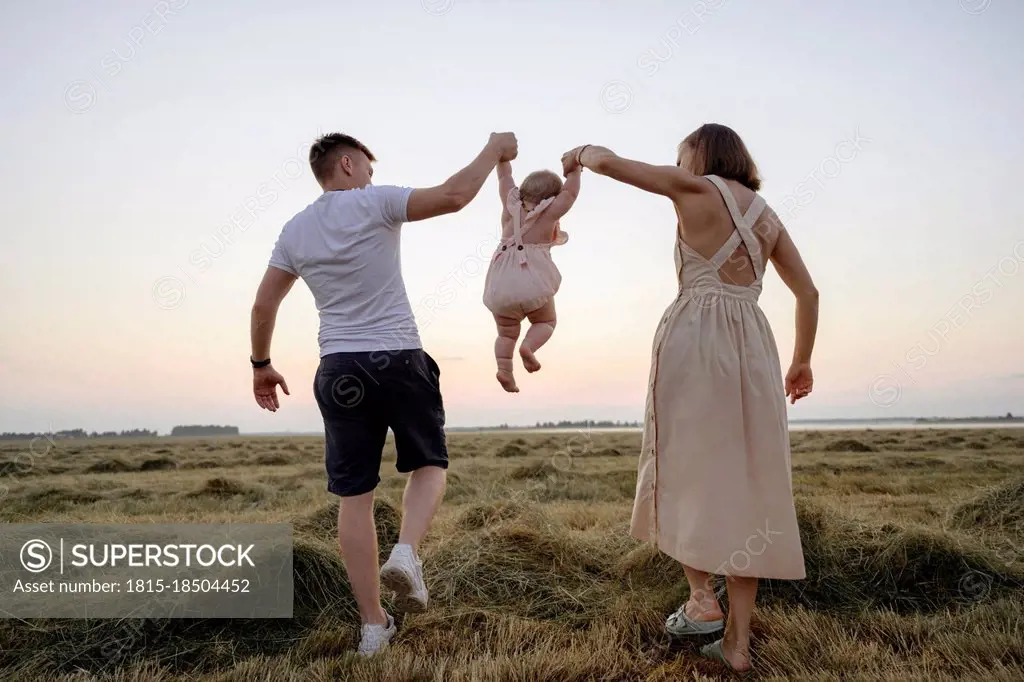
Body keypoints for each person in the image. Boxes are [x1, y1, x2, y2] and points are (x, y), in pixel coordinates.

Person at [248, 130, 518, 656]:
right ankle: (408, 552)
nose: (371, 175)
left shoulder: (295, 229)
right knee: (430, 463)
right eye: (368, 167)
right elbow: (453, 197)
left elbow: (263, 307)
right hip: (398, 358)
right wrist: (492, 150)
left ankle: (374, 626)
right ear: (347, 164)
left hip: (339, 368)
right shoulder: (376, 200)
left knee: (356, 499)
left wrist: (261, 365)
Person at [561, 124, 818, 674]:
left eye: (682, 154)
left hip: (696, 336)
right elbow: (808, 292)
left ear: (699, 155)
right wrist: (801, 361)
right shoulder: (767, 214)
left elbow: (611, 164)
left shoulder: (694, 189)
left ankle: (701, 597)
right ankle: (737, 644)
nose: (677, 162)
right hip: (753, 342)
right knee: (746, 480)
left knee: (680, 464)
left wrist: (579, 153)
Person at [482, 161, 581, 392]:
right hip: (532, 280)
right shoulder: (550, 212)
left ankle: (504, 369)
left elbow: (504, 178)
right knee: (545, 321)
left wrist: (502, 158)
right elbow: (571, 193)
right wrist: (575, 169)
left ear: (522, 192)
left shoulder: (510, 206)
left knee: (506, 333)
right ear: (552, 198)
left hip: (501, 285)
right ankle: (528, 347)